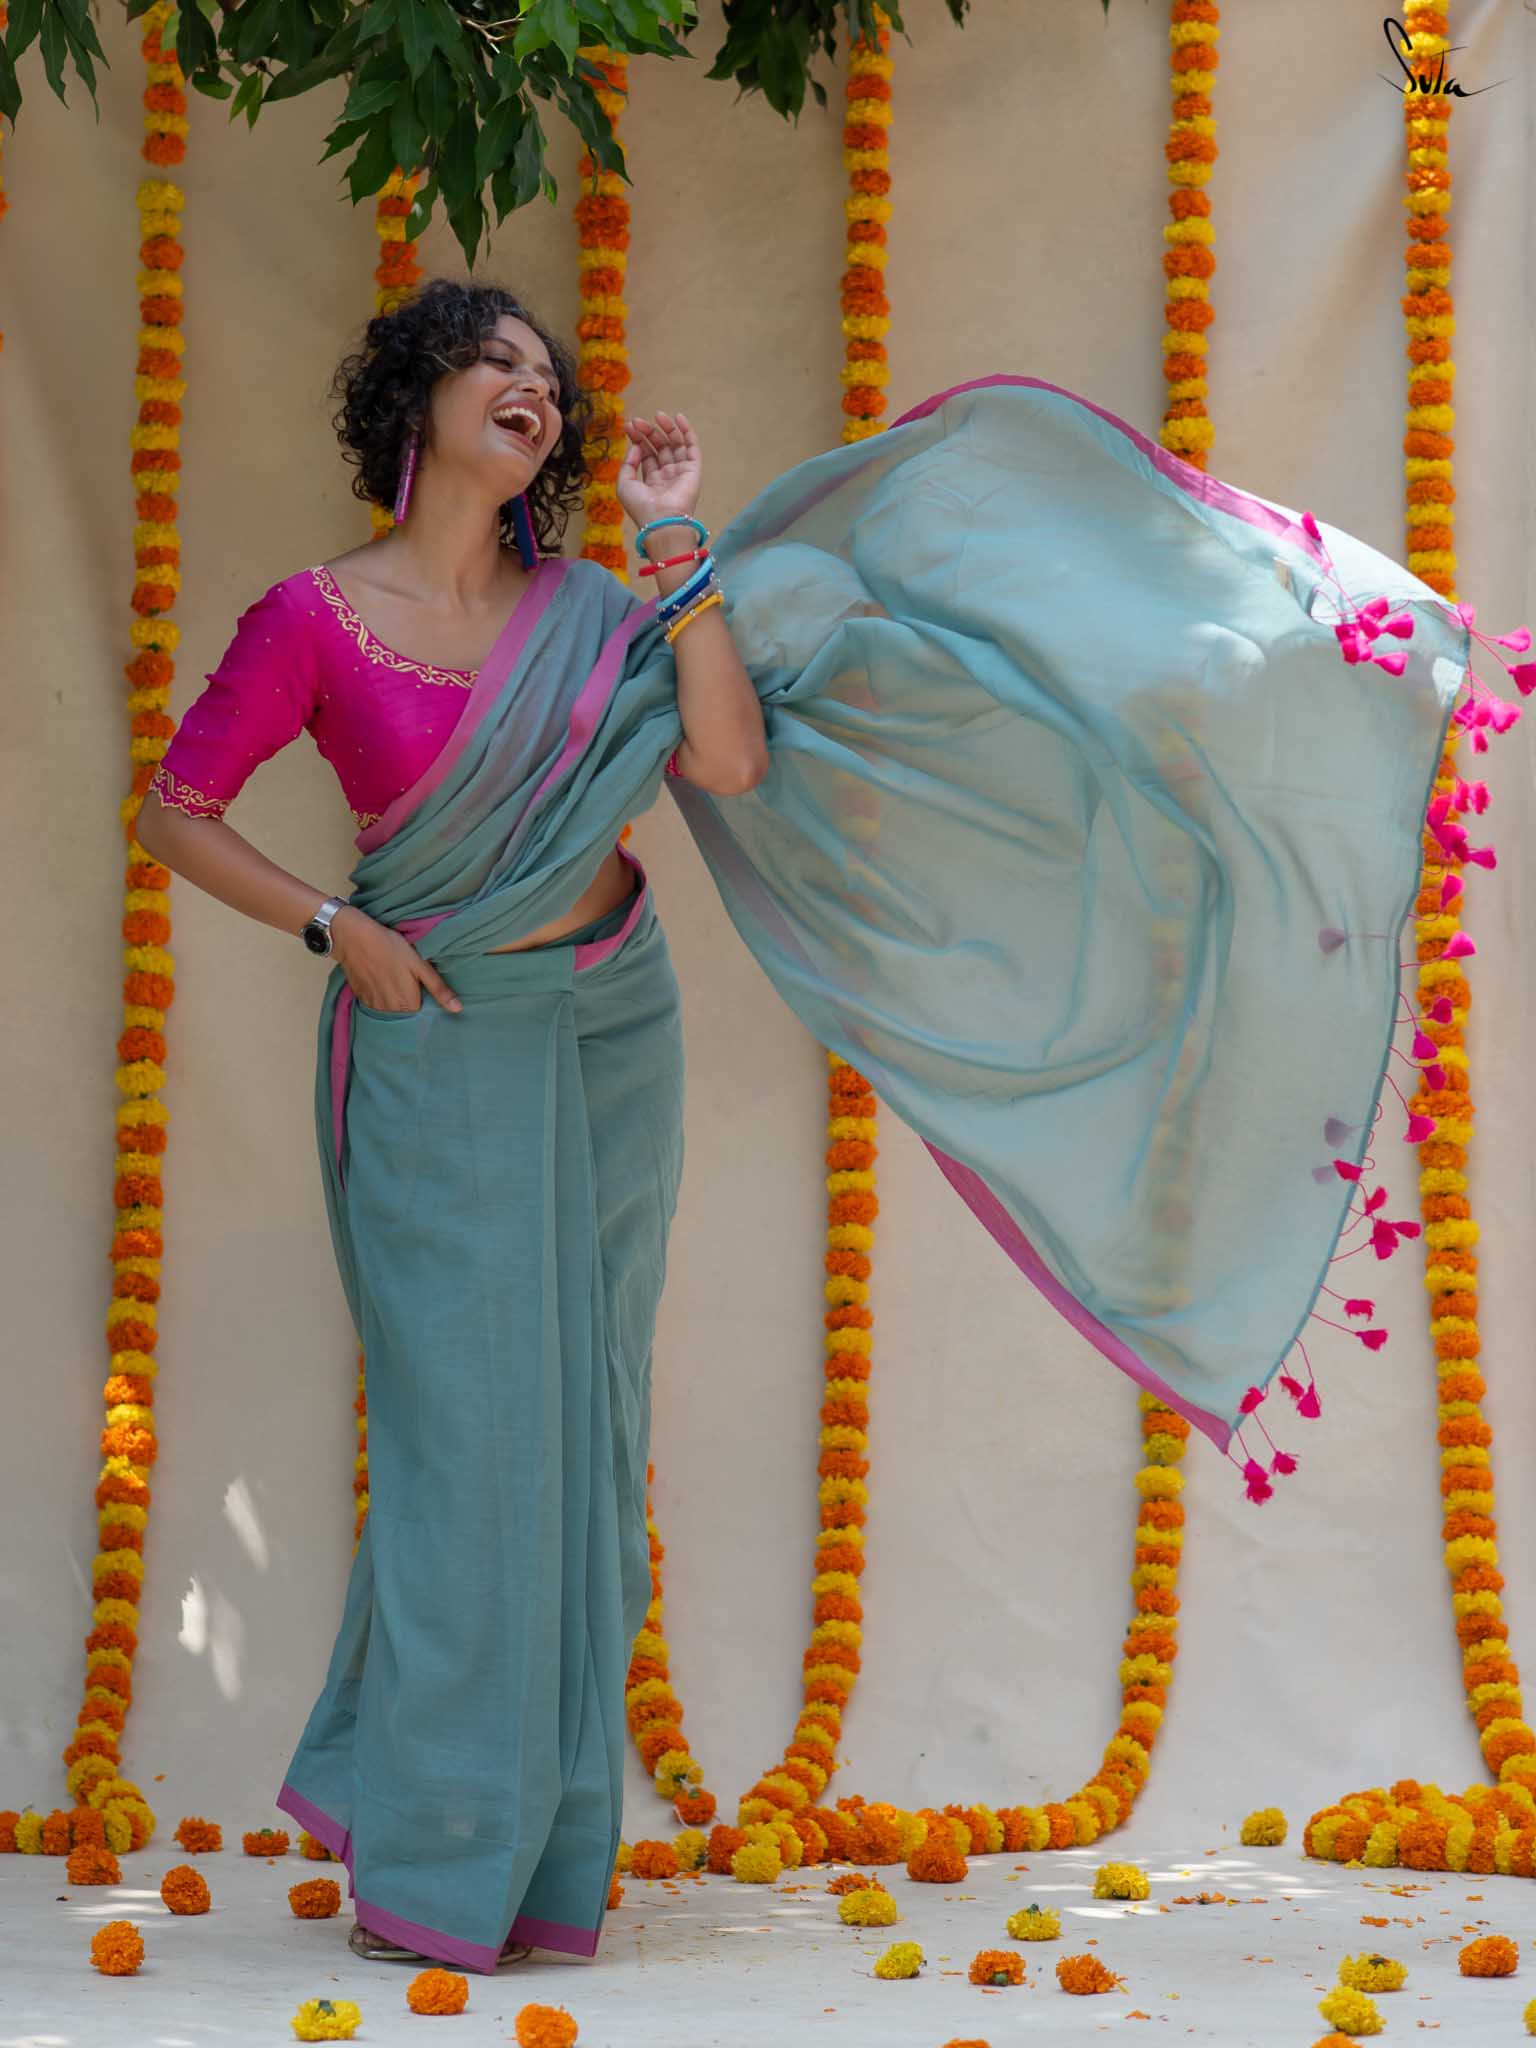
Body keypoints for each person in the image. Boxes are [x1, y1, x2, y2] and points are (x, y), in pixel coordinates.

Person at [136, 275, 1528, 1973]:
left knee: (583, 1434)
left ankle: (540, 1865)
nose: (531, 387)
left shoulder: (594, 608)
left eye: (545, 374)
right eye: (492, 361)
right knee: (466, 1446)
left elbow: (726, 759)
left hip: (610, 1023)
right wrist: (328, 922)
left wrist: (677, 548)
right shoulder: (310, 618)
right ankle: (431, 1859)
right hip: (435, 1033)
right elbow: (177, 810)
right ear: (412, 397)